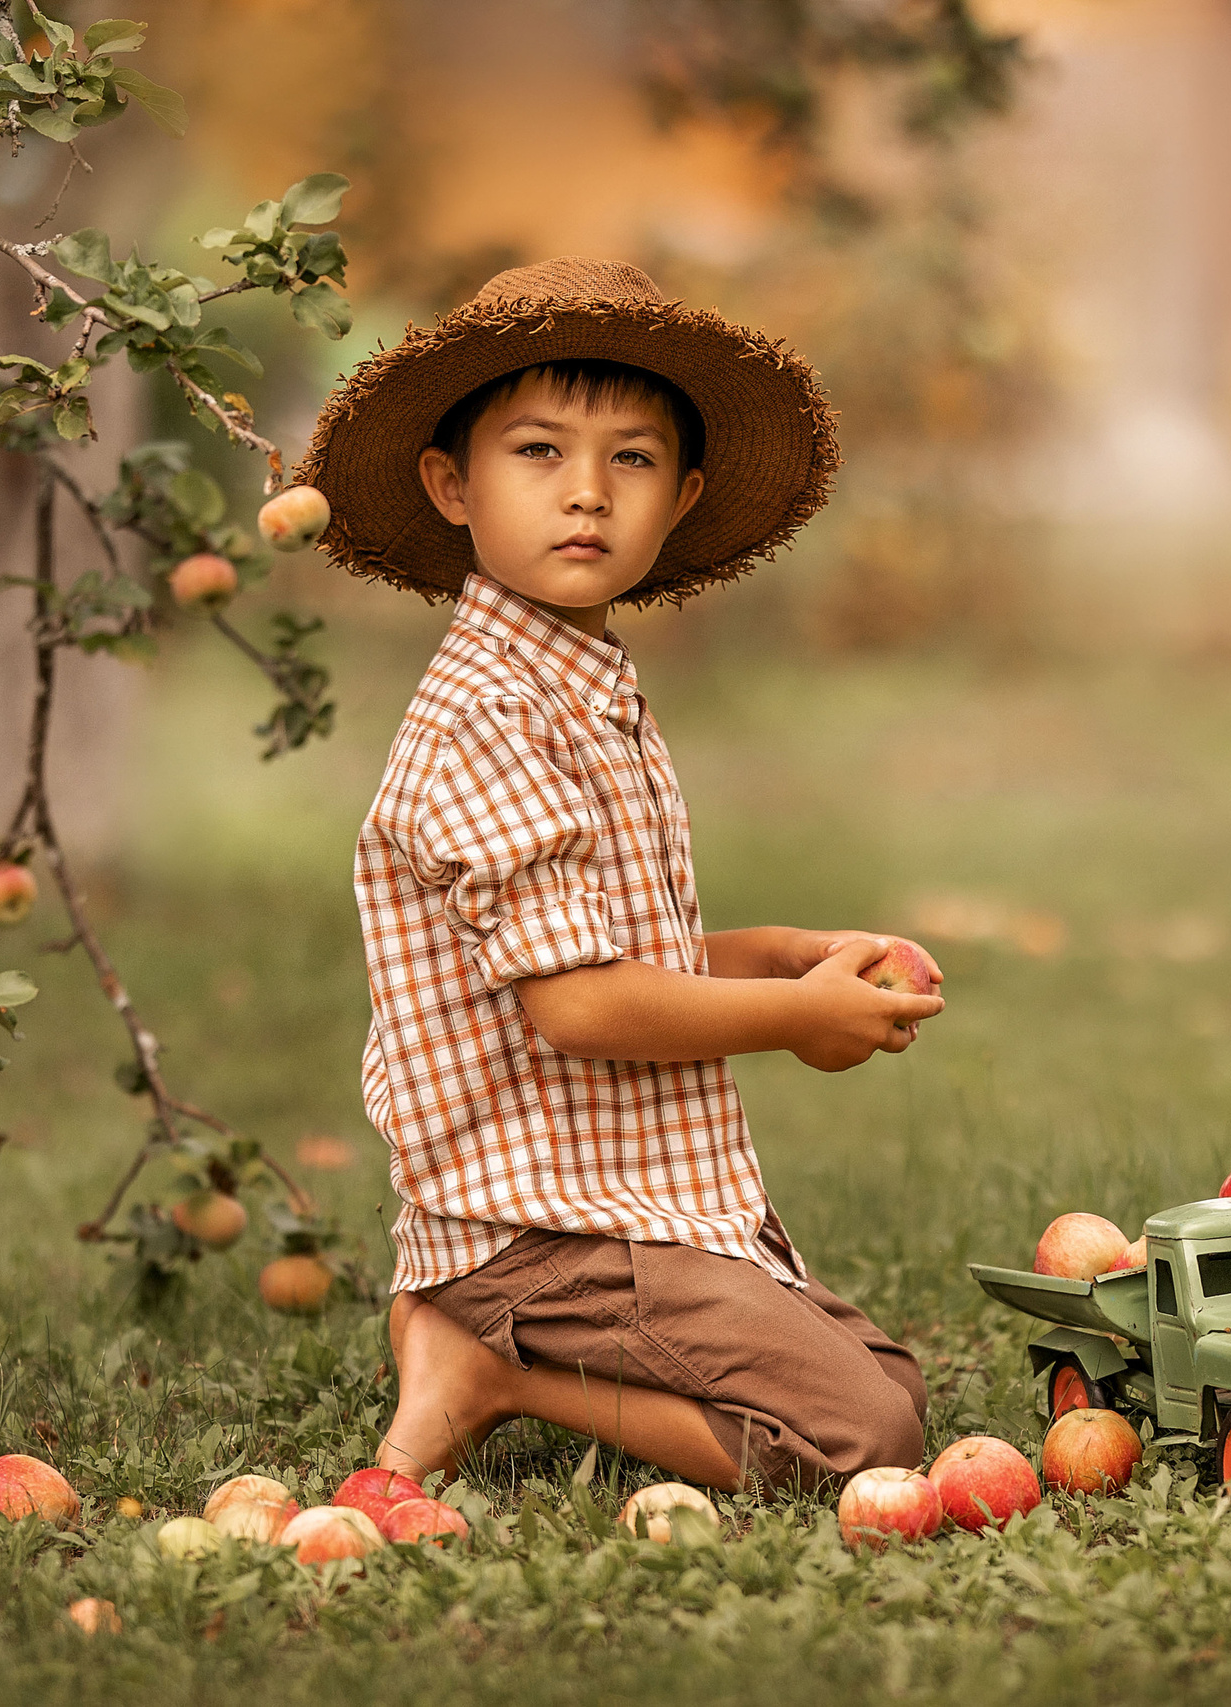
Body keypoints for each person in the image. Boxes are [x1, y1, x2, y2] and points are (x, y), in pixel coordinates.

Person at [292, 258, 946, 1495]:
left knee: (889, 1387)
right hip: (540, 1228)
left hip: (620, 1200)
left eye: (632, 460)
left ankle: (485, 1353)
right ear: (452, 484)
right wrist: (792, 1023)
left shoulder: (579, 690)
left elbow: (604, 946)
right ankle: (491, 1367)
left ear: (681, 497)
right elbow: (579, 1002)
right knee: (865, 1440)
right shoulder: (490, 711)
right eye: (537, 451)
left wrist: (774, 956)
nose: (586, 493)